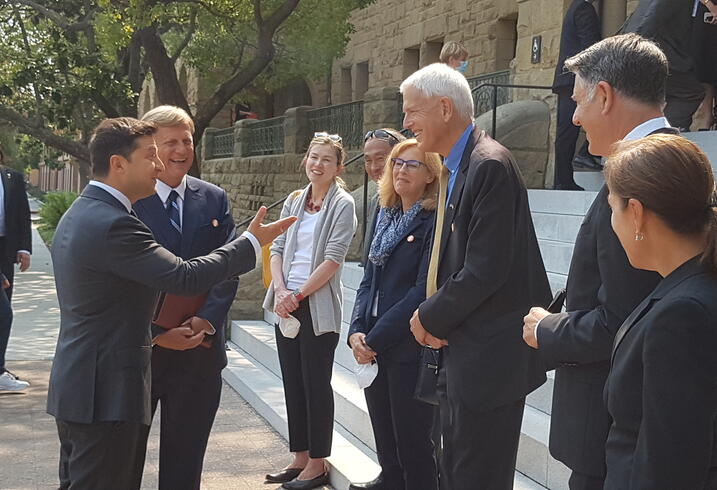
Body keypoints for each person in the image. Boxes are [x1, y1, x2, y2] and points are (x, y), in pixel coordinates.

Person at [47, 117, 295, 490]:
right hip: (106, 391)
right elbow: (184, 276)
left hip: (85, 386)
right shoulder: (114, 222)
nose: (161, 165)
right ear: (118, 163)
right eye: (151, 156)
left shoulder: (85, 211)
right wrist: (249, 243)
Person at [522, 34, 676, 490]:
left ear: (604, 95)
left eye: (578, 101)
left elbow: (626, 322)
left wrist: (544, 330)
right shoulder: (659, 163)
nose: (574, 117)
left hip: (613, 429)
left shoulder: (646, 175)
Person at [402, 63, 551, 490]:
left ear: (445, 108)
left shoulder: (488, 165)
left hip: (489, 362)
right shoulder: (462, 164)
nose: (406, 123)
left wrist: (428, 316)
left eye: (413, 111)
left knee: (476, 476)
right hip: (467, 354)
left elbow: (485, 269)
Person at [131, 106, 238, 490]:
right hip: (140, 353)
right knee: (124, 462)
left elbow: (228, 267)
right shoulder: (127, 200)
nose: (180, 150)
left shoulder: (214, 198)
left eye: (186, 140)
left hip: (199, 350)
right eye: (169, 142)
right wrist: (155, 331)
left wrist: (206, 320)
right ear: (150, 148)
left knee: (185, 463)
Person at [602, 134, 717, 488]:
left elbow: (670, 465)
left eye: (612, 208)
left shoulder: (683, 313)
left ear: (635, 213)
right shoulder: (686, 287)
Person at [263, 132, 357, 490]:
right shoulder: (294, 200)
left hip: (315, 306)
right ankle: (299, 456)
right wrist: (283, 290)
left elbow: (333, 258)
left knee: (315, 384)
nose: (317, 164)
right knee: (292, 383)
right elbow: (278, 246)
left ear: (338, 167)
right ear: (306, 160)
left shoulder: (343, 204)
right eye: (313, 157)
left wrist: (298, 294)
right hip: (286, 301)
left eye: (326, 160)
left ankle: (318, 463)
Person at [348, 138, 441, 490]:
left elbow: (421, 290)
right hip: (372, 343)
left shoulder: (432, 220)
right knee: (385, 435)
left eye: (411, 164)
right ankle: (389, 480)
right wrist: (356, 328)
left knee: (413, 442)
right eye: (397, 163)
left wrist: (374, 338)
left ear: (430, 174)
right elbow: (368, 279)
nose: (401, 169)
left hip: (405, 345)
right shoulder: (385, 213)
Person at [622, 0, 705, 131]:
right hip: (659, 53)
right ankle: (664, 134)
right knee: (690, 93)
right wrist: (634, 46)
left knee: (648, 97)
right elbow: (653, 18)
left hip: (639, 48)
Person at [552, 0, 602, 190]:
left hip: (569, 79)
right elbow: (590, 47)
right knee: (569, 130)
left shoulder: (574, 7)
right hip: (576, 80)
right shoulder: (584, 8)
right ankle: (567, 175)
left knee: (566, 131)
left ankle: (563, 178)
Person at [0, 149, 32, 392]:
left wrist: (24, 248)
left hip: (6, 248)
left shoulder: (13, 178)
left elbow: (22, 214)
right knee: (4, 313)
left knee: (4, 308)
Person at [361, 128, 405, 266]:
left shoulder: (412, 201)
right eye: (368, 160)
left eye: (380, 159)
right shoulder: (377, 200)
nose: (373, 167)